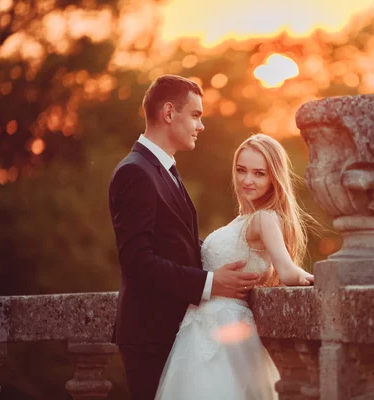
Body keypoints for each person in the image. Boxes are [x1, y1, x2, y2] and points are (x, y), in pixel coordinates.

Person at [108, 75, 261, 400]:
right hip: (151, 336)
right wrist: (209, 283)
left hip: (176, 332)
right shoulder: (135, 172)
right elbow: (137, 261)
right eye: (195, 115)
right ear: (168, 113)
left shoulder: (163, 169)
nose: (201, 126)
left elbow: (179, 243)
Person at [155, 133, 315, 400]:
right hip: (199, 329)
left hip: (226, 329)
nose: (247, 180)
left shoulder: (264, 218)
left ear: (274, 178)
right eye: (241, 170)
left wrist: (319, 278)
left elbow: (286, 271)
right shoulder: (243, 219)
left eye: (258, 173)